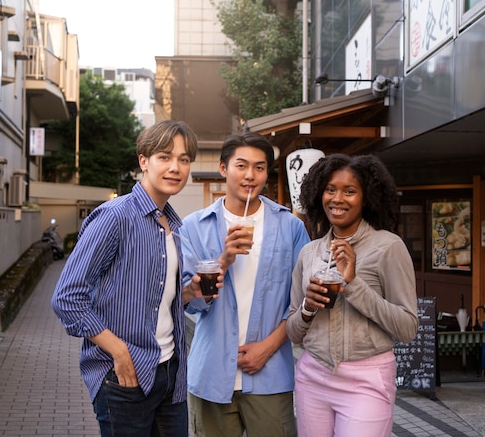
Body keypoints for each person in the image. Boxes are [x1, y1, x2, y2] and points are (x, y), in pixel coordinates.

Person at [51, 120, 199, 437]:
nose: (176, 167)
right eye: (165, 157)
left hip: (170, 369)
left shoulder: (173, 225)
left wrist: (187, 293)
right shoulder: (115, 217)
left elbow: (150, 296)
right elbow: (67, 299)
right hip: (124, 374)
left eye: (184, 159)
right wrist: (118, 351)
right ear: (144, 161)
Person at [179, 132, 310, 437]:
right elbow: (188, 302)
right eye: (241, 165)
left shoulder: (290, 226)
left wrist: (268, 347)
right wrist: (222, 261)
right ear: (224, 169)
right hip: (211, 372)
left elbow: (303, 302)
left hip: (270, 374)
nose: (250, 175)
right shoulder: (194, 226)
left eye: (260, 167)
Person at [286, 153, 419, 437]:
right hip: (313, 375)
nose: (338, 199)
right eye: (330, 189)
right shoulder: (309, 253)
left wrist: (353, 283)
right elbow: (294, 333)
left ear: (367, 197)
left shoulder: (388, 247)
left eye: (350, 191)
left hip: (367, 380)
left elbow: (407, 328)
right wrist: (308, 308)